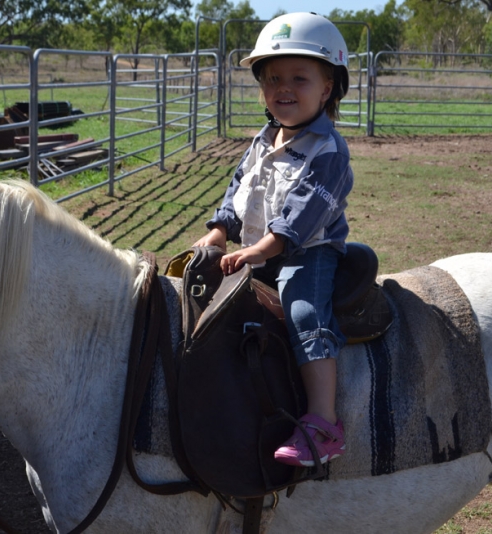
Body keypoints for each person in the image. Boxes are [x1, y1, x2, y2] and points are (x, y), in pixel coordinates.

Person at [193, 12, 353, 467]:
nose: (284, 88)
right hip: (256, 248)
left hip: (306, 254)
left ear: (328, 88)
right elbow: (237, 189)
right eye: (273, 78)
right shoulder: (263, 140)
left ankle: (324, 424)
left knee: (303, 312)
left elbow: (299, 219)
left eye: (299, 78)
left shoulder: (329, 152)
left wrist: (257, 251)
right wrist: (219, 231)